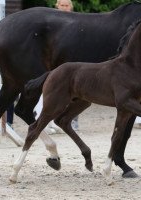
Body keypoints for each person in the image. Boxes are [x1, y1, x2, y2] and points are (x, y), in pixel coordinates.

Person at [55, 0, 79, 131]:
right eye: (62, 5)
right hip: (56, 61)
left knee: (75, 90)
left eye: (66, 5)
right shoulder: (50, 22)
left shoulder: (77, 22)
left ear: (71, 7)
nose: (64, 8)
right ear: (57, 6)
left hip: (72, 60)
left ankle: (73, 119)